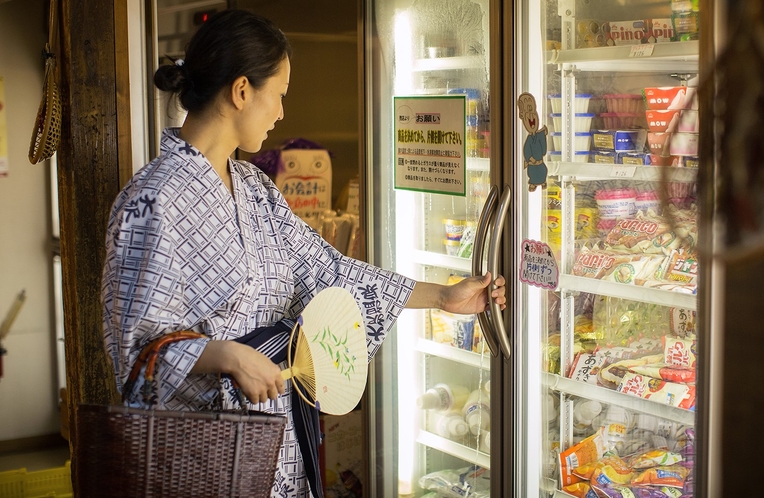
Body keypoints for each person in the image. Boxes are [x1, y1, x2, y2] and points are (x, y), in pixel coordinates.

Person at [101, 9, 506, 498]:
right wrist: (226, 355)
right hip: (203, 450)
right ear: (242, 90)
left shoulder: (254, 188)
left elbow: (329, 272)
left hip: (277, 433)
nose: (281, 113)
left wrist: (443, 296)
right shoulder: (152, 200)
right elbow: (136, 348)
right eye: (280, 95)